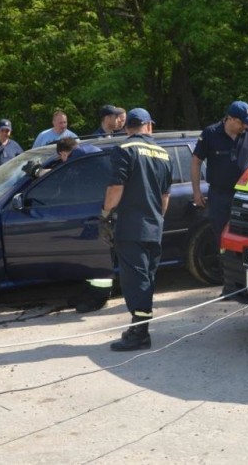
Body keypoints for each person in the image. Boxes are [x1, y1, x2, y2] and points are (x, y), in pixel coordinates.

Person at [101, 108, 172, 351]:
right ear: (148, 126)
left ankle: (140, 333)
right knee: (147, 278)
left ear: (128, 126)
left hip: (132, 226)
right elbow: (165, 197)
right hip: (154, 226)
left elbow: (115, 188)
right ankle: (139, 326)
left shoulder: (124, 150)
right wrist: (157, 220)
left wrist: (106, 213)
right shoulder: (164, 153)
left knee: (135, 280)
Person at [191, 100, 248, 248]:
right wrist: (196, 191)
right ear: (231, 119)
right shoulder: (211, 133)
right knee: (221, 238)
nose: (245, 126)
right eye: (242, 122)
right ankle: (224, 268)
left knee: (247, 237)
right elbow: (196, 162)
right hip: (219, 196)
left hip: (245, 195)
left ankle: (244, 269)